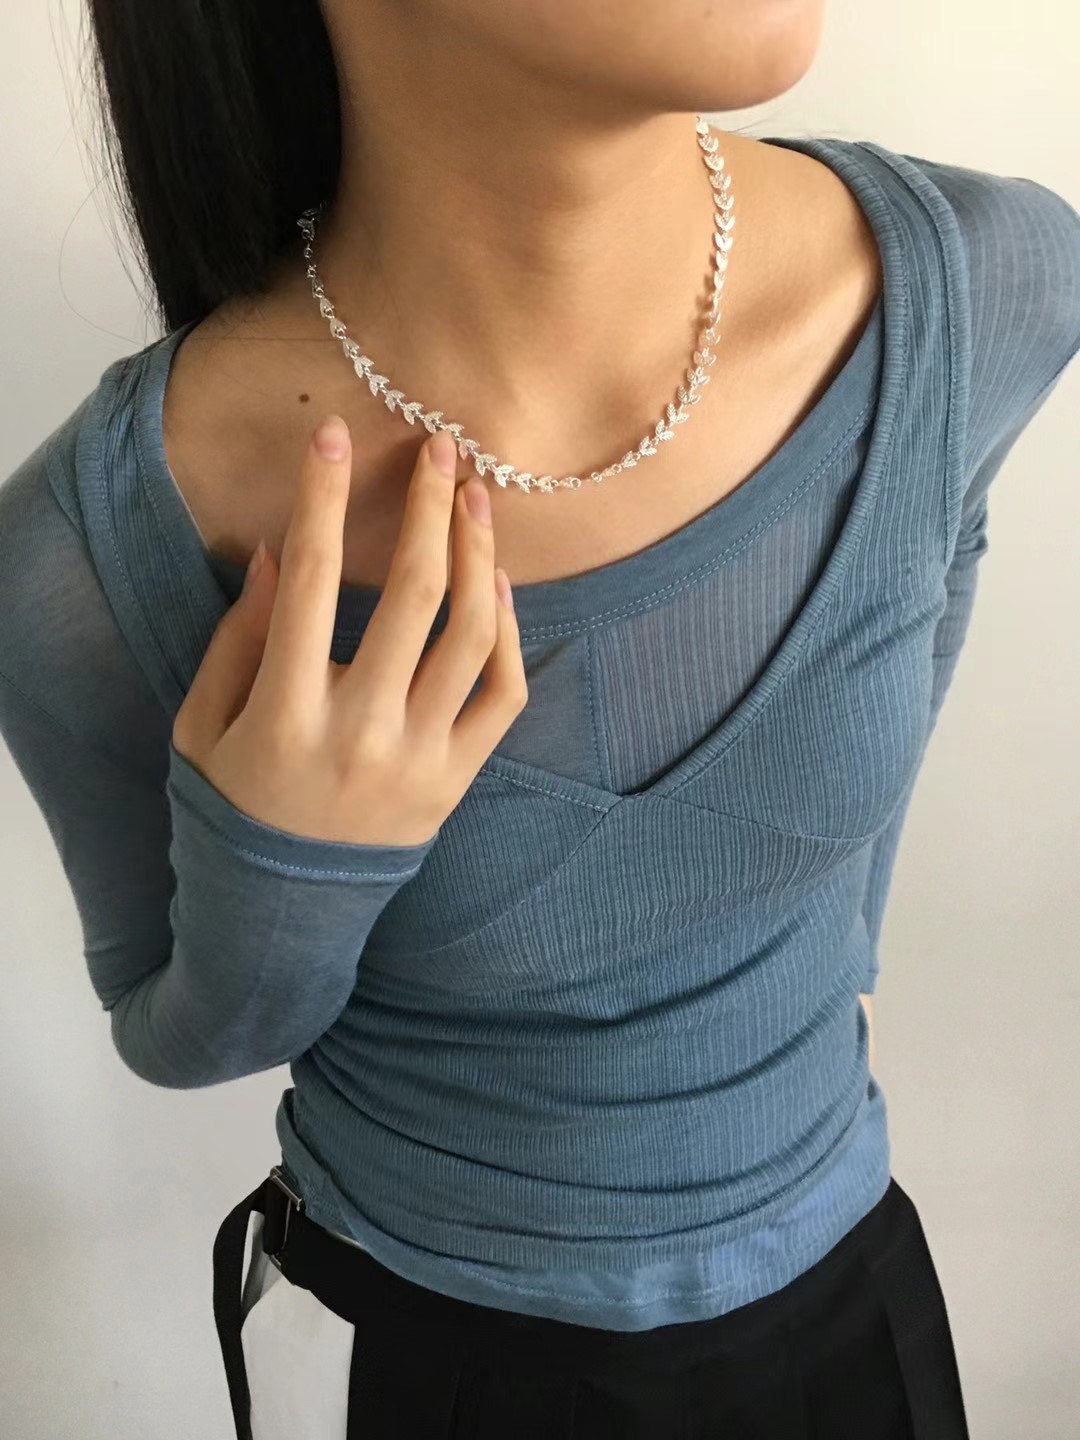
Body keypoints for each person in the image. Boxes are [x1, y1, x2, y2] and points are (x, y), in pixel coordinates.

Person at [2, 0, 1078, 1435]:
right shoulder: (87, 556)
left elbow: (941, 558)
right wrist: (285, 861)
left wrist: (832, 969)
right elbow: (179, 1033)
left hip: (852, 1316)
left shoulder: (985, 287)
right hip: (426, 1365)